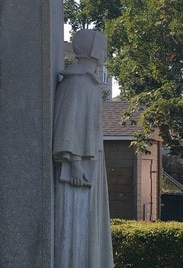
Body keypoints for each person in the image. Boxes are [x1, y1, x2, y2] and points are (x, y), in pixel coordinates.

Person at [53, 29, 114, 268]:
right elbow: (66, 123)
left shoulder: (88, 81)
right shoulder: (77, 82)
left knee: (87, 225)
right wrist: (75, 163)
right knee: (75, 224)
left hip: (89, 164)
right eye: (103, 45)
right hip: (76, 172)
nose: (106, 51)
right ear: (92, 47)